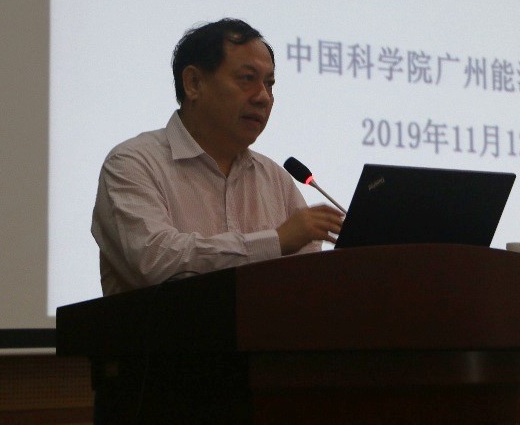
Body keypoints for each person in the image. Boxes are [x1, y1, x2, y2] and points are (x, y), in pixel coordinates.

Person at [91, 18, 344, 295]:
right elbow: (153, 262)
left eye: (269, 84)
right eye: (247, 79)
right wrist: (276, 241)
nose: (263, 97)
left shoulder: (276, 181)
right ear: (194, 83)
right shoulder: (133, 164)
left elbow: (309, 289)